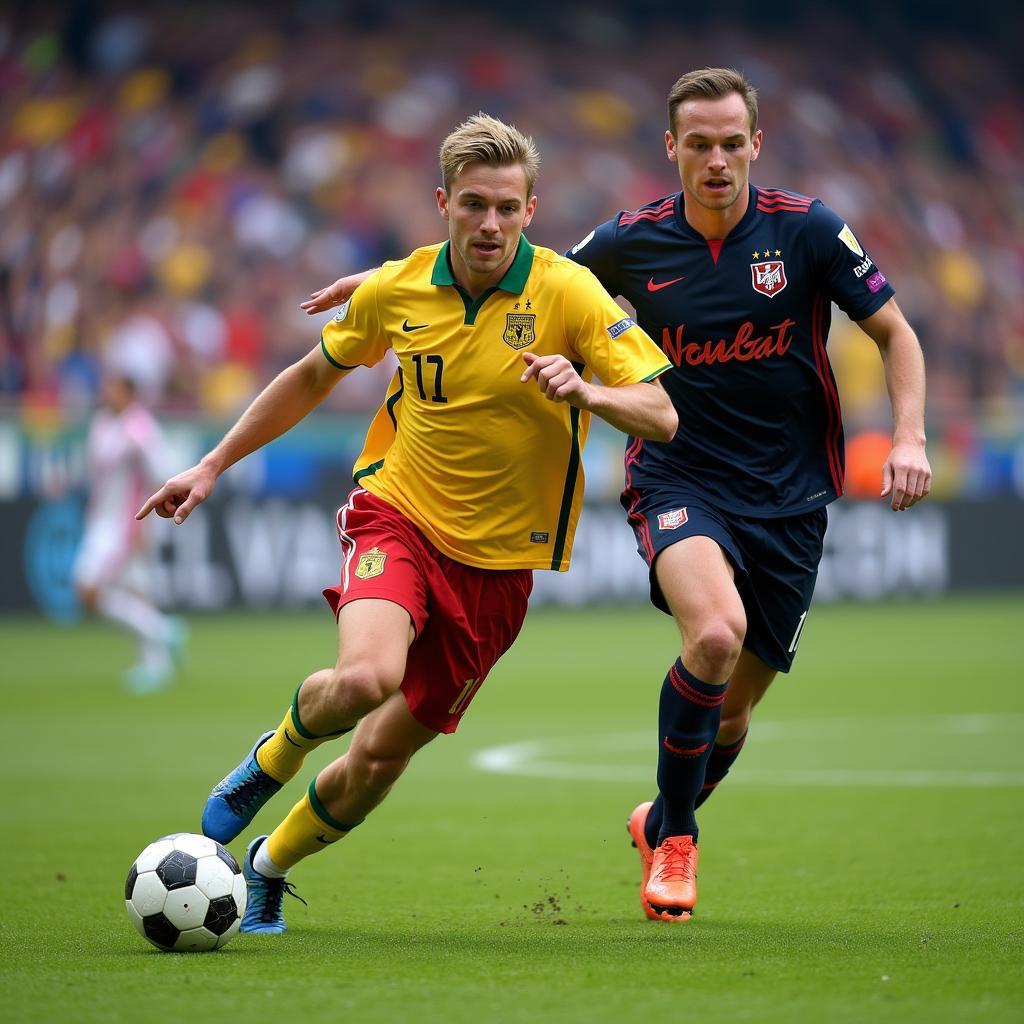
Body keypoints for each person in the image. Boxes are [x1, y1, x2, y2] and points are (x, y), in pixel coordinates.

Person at [302, 69, 933, 923]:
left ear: (757, 144)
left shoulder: (810, 231)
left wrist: (909, 436)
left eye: (730, 142)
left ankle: (663, 817)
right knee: (713, 634)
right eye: (698, 144)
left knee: (734, 713)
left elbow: (895, 332)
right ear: (673, 149)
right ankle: (679, 844)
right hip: (680, 472)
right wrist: (389, 277)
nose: (716, 159)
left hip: (791, 495)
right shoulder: (630, 242)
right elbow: (513, 266)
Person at [136, 114, 676, 935]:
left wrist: (590, 391)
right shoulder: (398, 289)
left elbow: (662, 414)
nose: (489, 223)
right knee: (364, 678)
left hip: (498, 571)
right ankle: (272, 757)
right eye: (472, 205)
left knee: (381, 757)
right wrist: (211, 464)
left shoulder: (568, 293)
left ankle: (268, 865)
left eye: (505, 207)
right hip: (400, 515)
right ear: (443, 204)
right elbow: (312, 374)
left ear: (531, 210)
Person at [73, 371, 184, 693]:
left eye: (113, 387)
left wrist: (143, 525)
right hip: (100, 521)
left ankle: (162, 631)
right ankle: (156, 664)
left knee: (88, 590)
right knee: (135, 591)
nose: (106, 392)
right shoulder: (102, 424)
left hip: (124, 524)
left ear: (128, 392)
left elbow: (161, 475)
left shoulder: (140, 429)